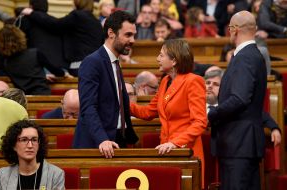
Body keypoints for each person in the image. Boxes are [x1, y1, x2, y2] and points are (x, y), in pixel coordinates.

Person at [130, 39, 207, 188]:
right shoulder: (165, 81)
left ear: (174, 61)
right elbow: (148, 112)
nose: (157, 59)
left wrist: (174, 143)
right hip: (167, 152)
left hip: (187, 153)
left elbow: (200, 122)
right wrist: (122, 104)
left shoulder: (193, 81)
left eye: (161, 55)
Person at [208, 11, 268, 190]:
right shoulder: (253, 55)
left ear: (233, 30)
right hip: (242, 143)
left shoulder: (245, 58)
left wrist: (211, 112)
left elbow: (239, 99)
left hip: (239, 143)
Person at [73, 11, 139, 158]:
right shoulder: (92, 62)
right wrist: (102, 139)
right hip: (97, 145)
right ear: (111, 33)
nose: (133, 40)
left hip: (116, 140)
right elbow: (88, 106)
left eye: (134, 35)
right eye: (128, 35)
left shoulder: (114, 62)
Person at [21, 0, 103, 76]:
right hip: (96, 66)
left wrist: (32, 13)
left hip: (80, 66)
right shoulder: (96, 22)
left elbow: (55, 24)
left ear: (78, 2)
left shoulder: (77, 15)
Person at [205, 69, 281, 143]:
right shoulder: (194, 104)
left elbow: (259, 114)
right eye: (208, 83)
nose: (210, 86)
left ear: (224, 88)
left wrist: (274, 129)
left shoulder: (231, 106)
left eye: (216, 84)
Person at [0, 119, 65, 189]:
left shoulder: (55, 174)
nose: (30, 145)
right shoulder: (2, 175)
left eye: (34, 140)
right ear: (13, 145)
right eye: (24, 140)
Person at [0, 24, 68, 95]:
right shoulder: (35, 53)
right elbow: (55, 70)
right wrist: (64, 73)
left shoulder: (6, 62)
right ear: (20, 37)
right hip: (42, 94)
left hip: (23, 98)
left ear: (2, 43)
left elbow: (24, 74)